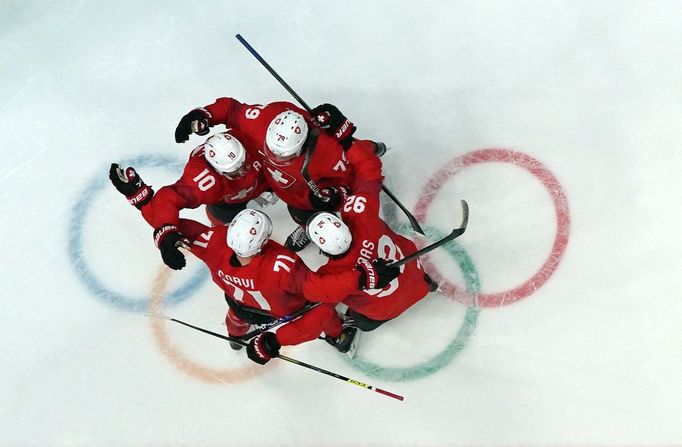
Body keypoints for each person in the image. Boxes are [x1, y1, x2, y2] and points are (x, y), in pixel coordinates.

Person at [174, 98, 384, 252]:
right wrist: (204, 114)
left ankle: (375, 148)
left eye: (285, 155)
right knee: (221, 207)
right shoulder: (265, 119)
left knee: (304, 213)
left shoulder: (330, 153)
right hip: (264, 175)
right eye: (271, 148)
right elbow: (232, 110)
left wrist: (335, 195)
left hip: (299, 194)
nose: (275, 156)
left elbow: (357, 181)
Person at [109, 132, 274, 270]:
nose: (244, 171)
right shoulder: (206, 181)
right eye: (235, 172)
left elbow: (231, 109)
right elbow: (168, 199)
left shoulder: (249, 136)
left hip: (270, 180)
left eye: (244, 162)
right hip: (230, 202)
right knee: (224, 229)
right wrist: (165, 231)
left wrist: (208, 114)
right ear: (218, 170)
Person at [301, 171, 438, 335]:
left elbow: (312, 296)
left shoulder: (329, 275)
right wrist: (357, 149)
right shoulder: (361, 215)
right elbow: (369, 175)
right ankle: (427, 284)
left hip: (385, 312)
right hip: (417, 281)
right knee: (411, 276)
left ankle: (349, 329)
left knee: (363, 322)